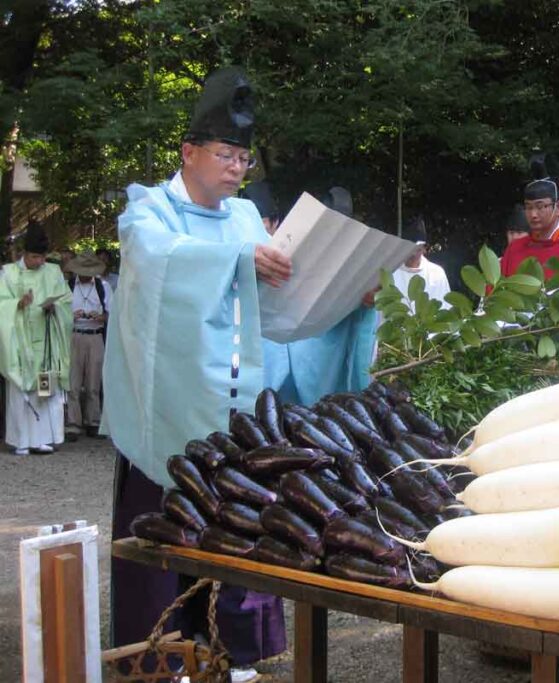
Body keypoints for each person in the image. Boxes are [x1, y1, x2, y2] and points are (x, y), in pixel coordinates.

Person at [105, 67, 374, 680]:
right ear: (188, 152)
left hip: (235, 415)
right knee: (162, 537)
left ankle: (236, 654)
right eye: (225, 154)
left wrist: (343, 300)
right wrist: (236, 260)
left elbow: (277, 314)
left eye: (243, 159)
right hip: (168, 410)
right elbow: (160, 265)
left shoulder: (246, 219)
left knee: (239, 529)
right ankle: (162, 653)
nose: (235, 168)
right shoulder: (148, 212)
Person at [0, 221, 72, 455]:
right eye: (34, 257)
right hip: (20, 342)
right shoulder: (9, 274)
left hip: (46, 342)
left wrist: (55, 307)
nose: (39, 262)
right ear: (24, 254)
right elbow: (2, 304)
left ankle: (43, 438)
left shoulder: (53, 271)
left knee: (45, 389)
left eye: (42, 257)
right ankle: (21, 441)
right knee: (21, 391)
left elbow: (65, 300)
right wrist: (17, 304)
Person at [500, 154, 559, 279]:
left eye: (540, 207)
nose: (533, 214)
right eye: (528, 207)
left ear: (558, 207)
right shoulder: (514, 249)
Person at [65, 251, 109, 440]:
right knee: (73, 382)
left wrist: (100, 317)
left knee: (93, 382)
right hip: (74, 334)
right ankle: (73, 423)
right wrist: (71, 315)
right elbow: (59, 311)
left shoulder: (103, 286)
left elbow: (111, 314)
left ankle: (93, 421)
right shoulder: (67, 286)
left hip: (95, 335)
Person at [392, 217, 450, 311]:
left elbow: (444, 310)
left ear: (424, 248)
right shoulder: (391, 270)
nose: (413, 254)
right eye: (410, 249)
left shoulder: (436, 274)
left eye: (417, 249)